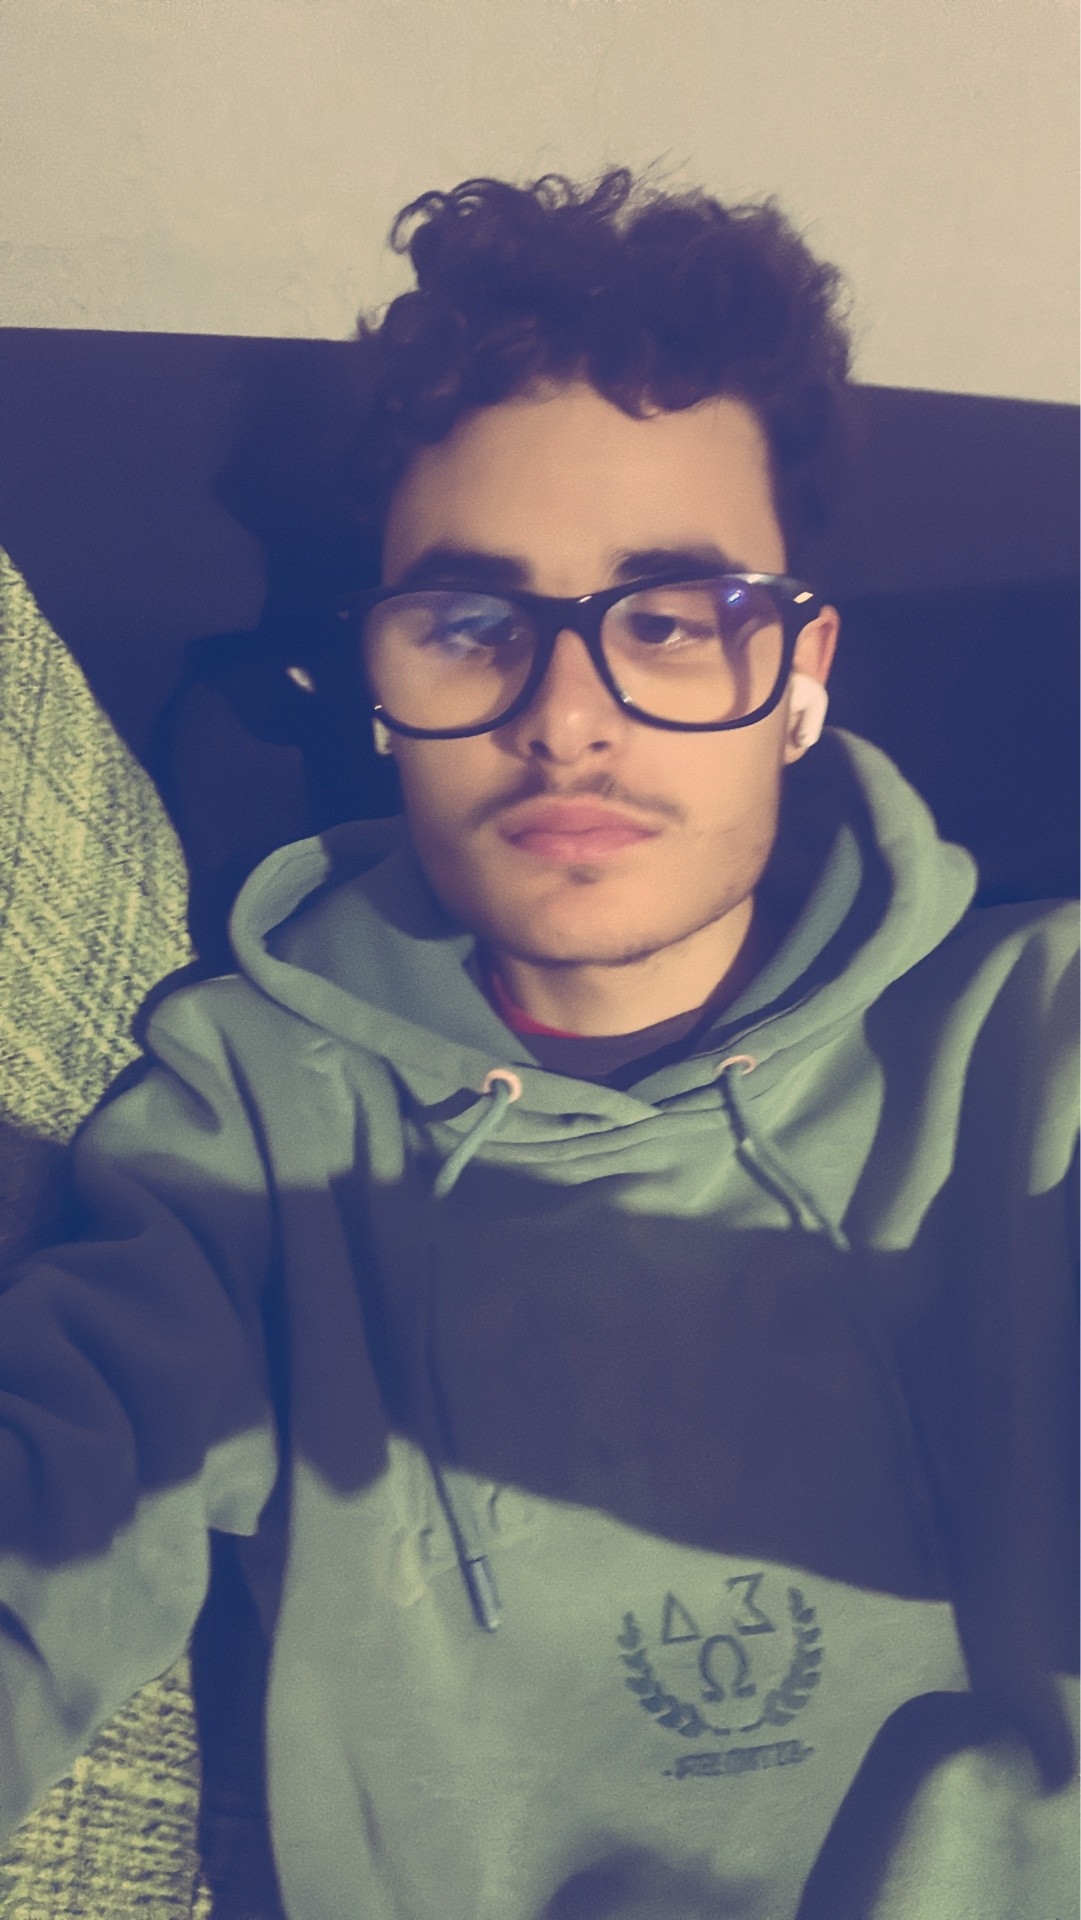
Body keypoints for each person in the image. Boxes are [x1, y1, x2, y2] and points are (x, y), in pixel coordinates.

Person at [0, 170, 1076, 1920]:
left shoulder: (1038, 1043)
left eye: (670, 617)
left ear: (798, 675)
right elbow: (56, 1511)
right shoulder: (248, 1120)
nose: (565, 719)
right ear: (378, 685)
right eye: (470, 625)